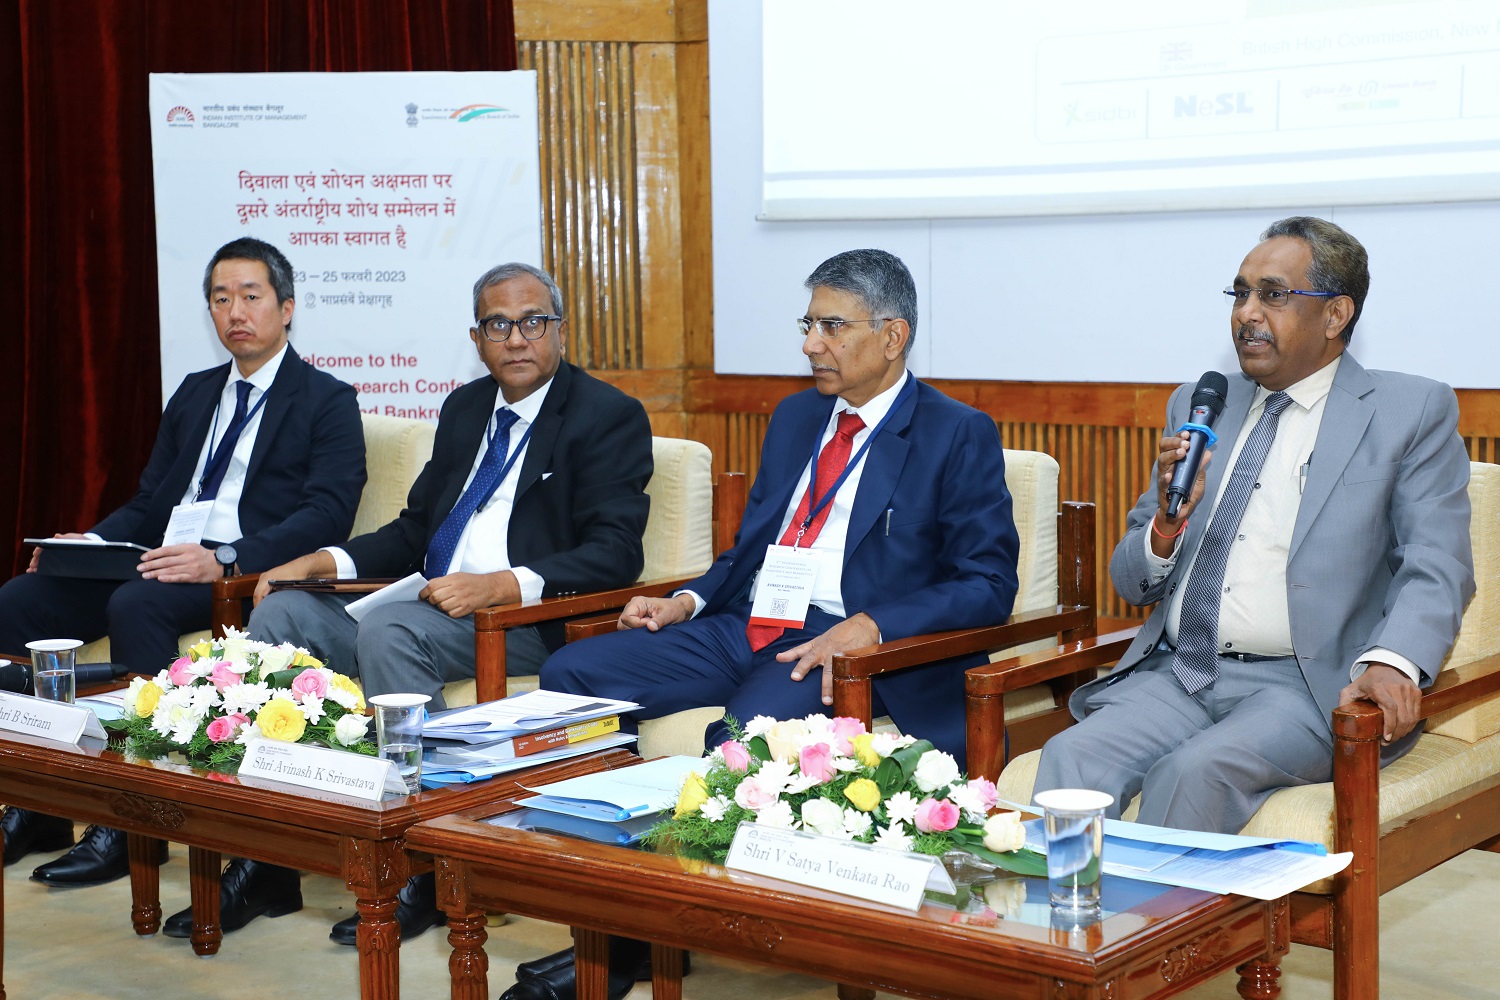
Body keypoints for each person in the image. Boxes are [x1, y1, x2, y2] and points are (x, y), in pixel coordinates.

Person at [505, 248, 1021, 1000]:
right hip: (751, 621)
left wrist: (872, 625)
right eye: (808, 324)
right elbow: (752, 548)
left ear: (893, 334)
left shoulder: (954, 432)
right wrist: (685, 600)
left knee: (742, 743)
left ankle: (633, 945)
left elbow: (988, 584)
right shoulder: (796, 416)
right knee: (573, 677)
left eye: (832, 326)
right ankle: (610, 900)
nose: (811, 343)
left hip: (836, 648)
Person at [177, 261, 653, 946]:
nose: (516, 338)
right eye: (498, 325)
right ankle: (272, 853)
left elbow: (615, 553)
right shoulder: (465, 409)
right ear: (477, 336)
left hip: (521, 621)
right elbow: (413, 530)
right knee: (279, 615)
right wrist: (320, 562)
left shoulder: (606, 416)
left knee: (393, 631)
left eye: (532, 322)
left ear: (560, 330)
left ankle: (423, 861)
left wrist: (498, 583)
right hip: (423, 605)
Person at [1033, 216, 1475, 835]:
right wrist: (1166, 525)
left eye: (1273, 294)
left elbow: (1437, 563)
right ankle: (1067, 929)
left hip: (1303, 685)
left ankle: (1159, 932)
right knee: (1071, 754)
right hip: (1181, 671)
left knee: (1194, 772)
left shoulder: (1409, 411)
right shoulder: (1201, 403)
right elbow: (1131, 582)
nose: (1247, 313)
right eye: (1239, 293)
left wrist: (1395, 662)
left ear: (1336, 314)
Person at [0, 237, 366, 884]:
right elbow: (147, 503)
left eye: (251, 297)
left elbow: (325, 515)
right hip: (159, 556)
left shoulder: (326, 399)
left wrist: (226, 559)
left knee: (136, 604)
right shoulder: (196, 393)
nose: (235, 312)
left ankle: (131, 819)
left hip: (238, 571)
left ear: (286, 308)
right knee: (19, 601)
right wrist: (89, 543)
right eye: (221, 299)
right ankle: (39, 804)